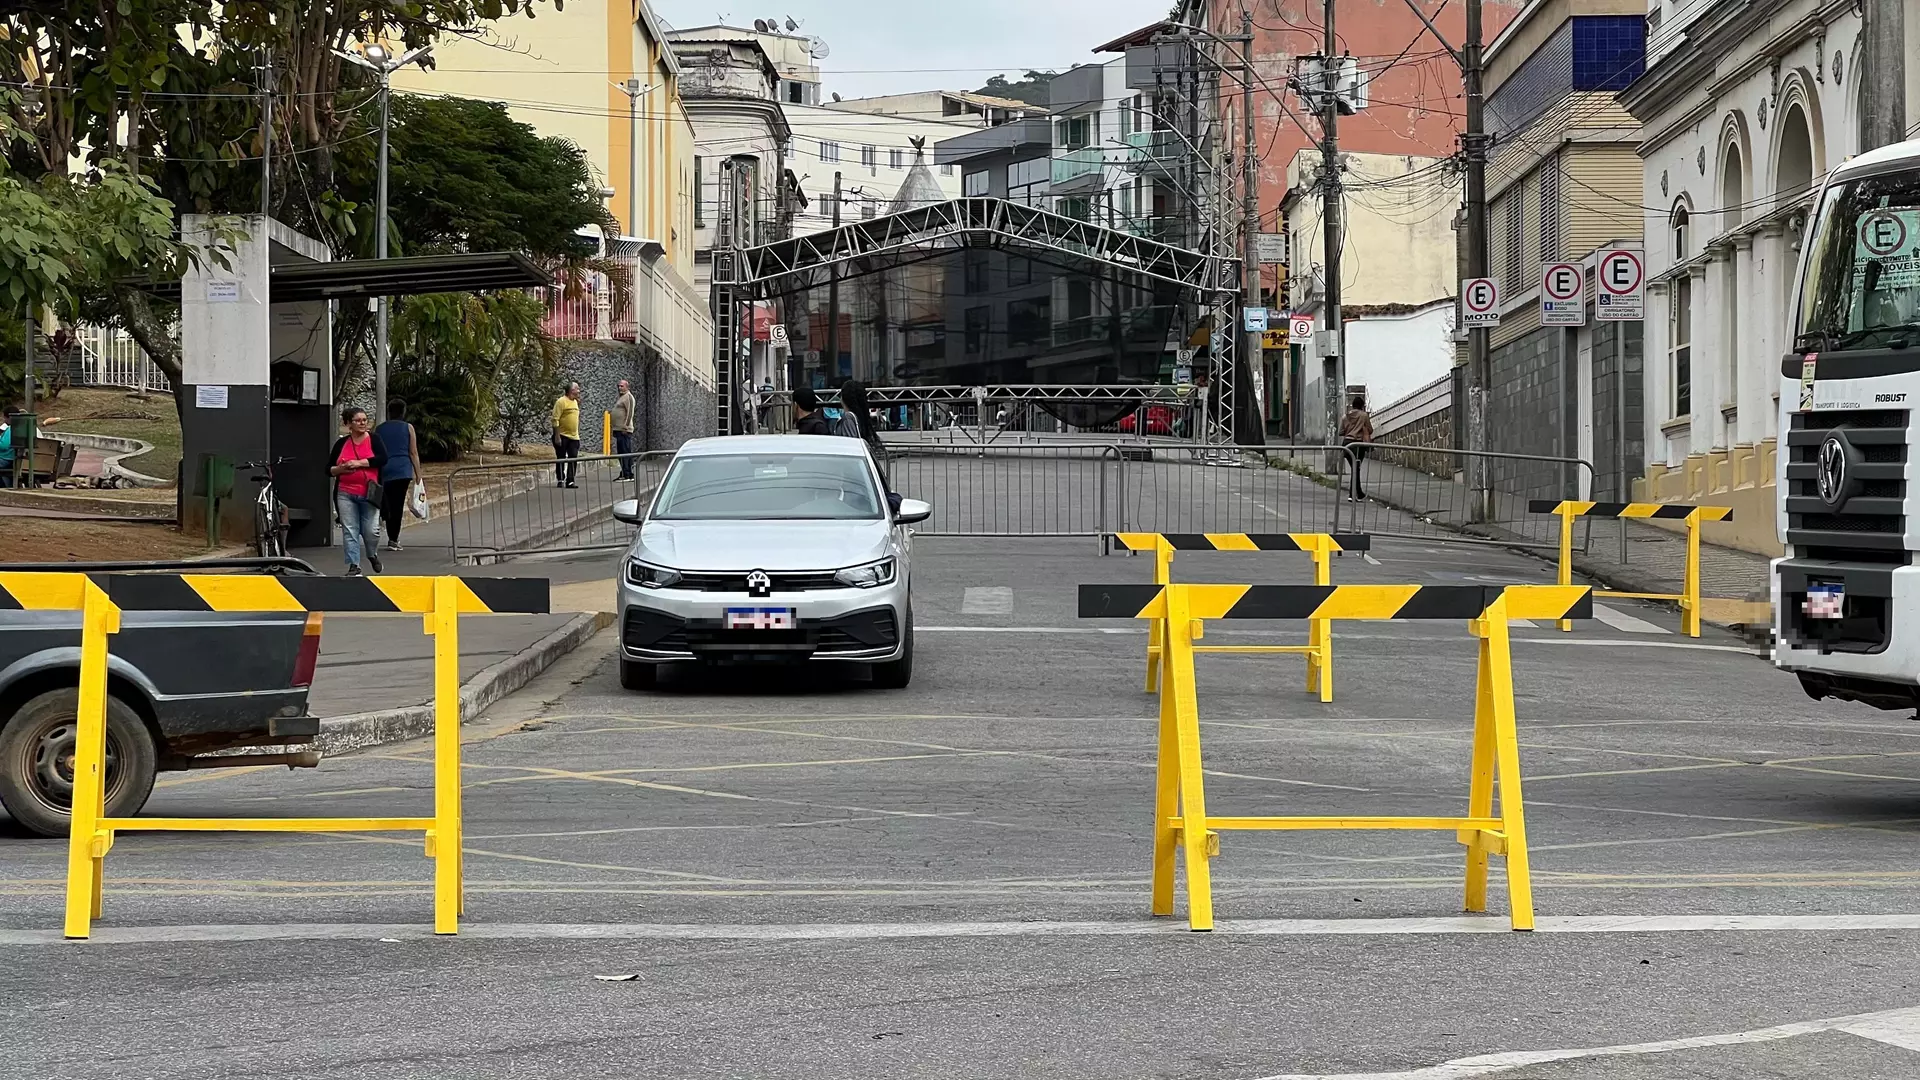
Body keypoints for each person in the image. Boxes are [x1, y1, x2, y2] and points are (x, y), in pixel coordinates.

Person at [329, 406, 389, 576]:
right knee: (350, 529)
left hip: (369, 494)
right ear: (349, 424)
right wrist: (340, 469)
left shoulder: (374, 440)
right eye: (358, 420)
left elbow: (382, 458)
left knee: (371, 530)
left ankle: (372, 554)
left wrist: (359, 463)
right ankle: (353, 565)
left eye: (364, 420)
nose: (362, 423)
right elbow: (328, 469)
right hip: (345, 493)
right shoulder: (342, 444)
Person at [838, 380, 901, 511]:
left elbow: (851, 448)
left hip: (854, 482)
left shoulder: (848, 418)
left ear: (844, 398)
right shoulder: (861, 417)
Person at [374, 399, 422, 552]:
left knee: (386, 503)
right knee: (397, 505)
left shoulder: (379, 429)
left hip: (384, 470)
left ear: (389, 412)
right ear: (403, 412)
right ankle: (393, 539)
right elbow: (413, 452)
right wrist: (418, 474)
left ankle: (386, 526)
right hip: (402, 471)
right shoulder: (408, 428)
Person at [1340, 395, 1374, 502]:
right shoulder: (1363, 416)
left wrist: (1350, 429)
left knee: (1355, 469)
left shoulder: (1345, 417)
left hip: (1346, 444)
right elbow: (1370, 429)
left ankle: (1358, 493)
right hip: (1357, 445)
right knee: (1356, 468)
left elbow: (1341, 432)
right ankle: (1353, 493)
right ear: (1362, 406)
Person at [551, 382, 582, 488]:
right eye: (577, 389)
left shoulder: (576, 402)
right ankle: (560, 479)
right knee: (561, 457)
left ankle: (570, 480)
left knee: (573, 457)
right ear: (571, 390)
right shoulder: (561, 402)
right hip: (562, 435)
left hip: (574, 436)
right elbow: (555, 419)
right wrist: (557, 435)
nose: (579, 391)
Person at [611, 378, 637, 480]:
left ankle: (628, 473)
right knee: (621, 452)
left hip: (624, 430)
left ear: (627, 387)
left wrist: (625, 426)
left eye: (622, 386)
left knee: (625, 451)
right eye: (619, 386)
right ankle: (624, 472)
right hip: (618, 429)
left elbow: (630, 412)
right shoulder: (621, 397)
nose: (619, 388)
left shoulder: (628, 397)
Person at [0, 412, 14, 488]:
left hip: (6, 458)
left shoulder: (12, 428)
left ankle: (4, 486)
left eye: (5, 418)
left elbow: (3, 445)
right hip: (11, 458)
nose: (5, 421)